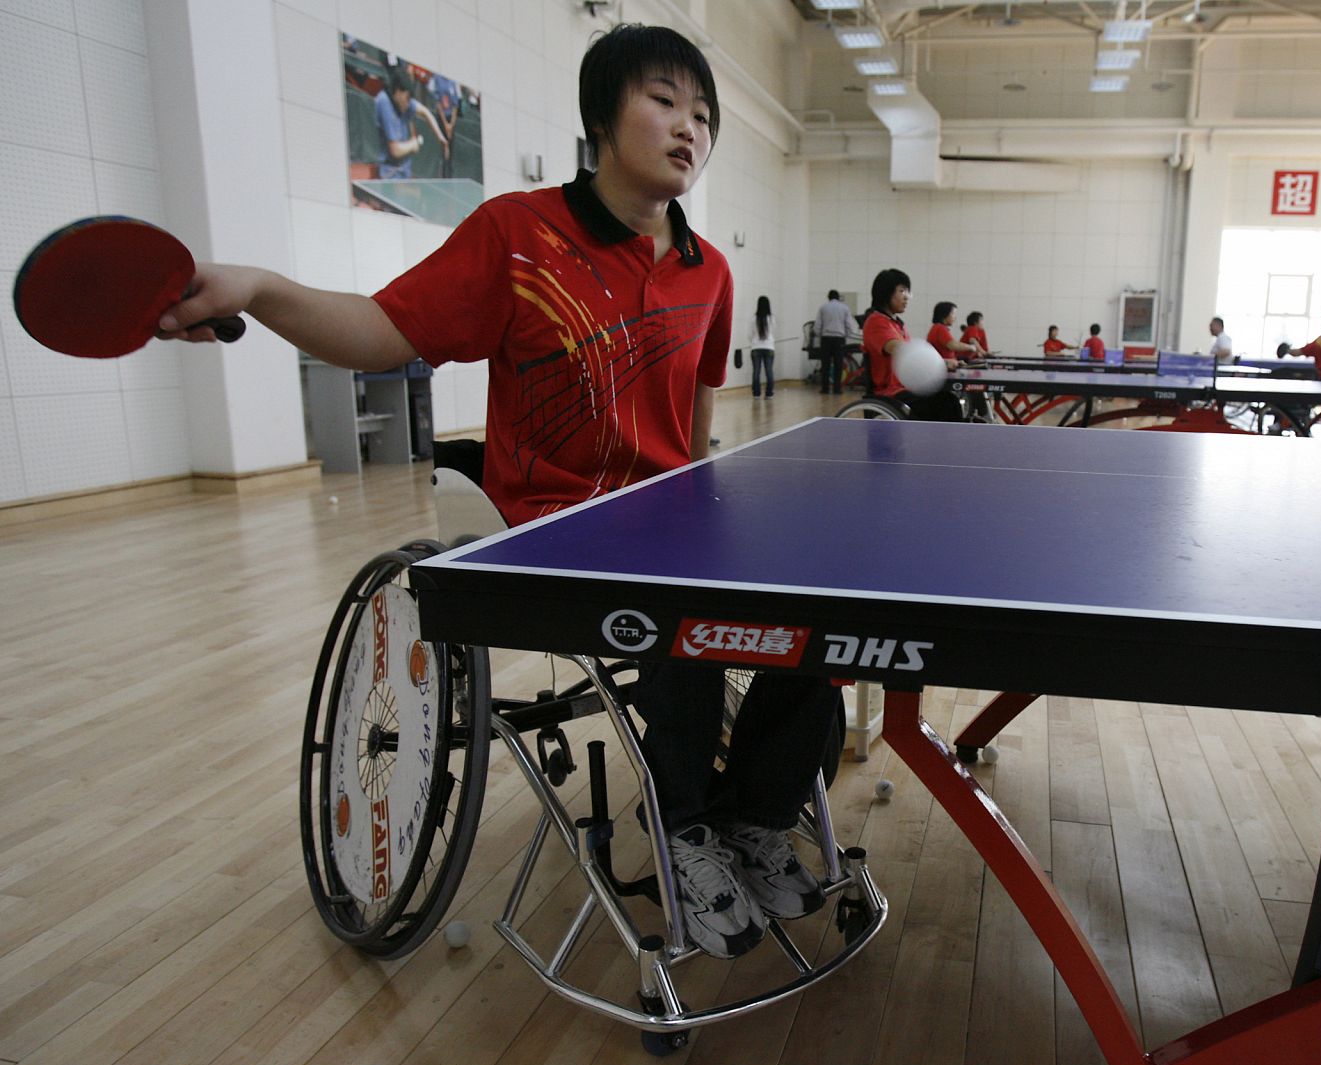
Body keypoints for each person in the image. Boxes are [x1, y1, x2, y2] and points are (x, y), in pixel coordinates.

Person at [157, 23, 836, 961]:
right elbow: (381, 329)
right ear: (602, 117)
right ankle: (682, 832)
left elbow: (694, 429)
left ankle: (754, 814)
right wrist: (264, 289)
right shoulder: (518, 237)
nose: (691, 127)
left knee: (831, 596)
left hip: (666, 521)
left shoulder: (708, 269)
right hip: (552, 530)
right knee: (680, 606)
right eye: (665, 101)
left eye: (704, 114)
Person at [861, 269, 962, 421]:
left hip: (905, 387)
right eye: (902, 291)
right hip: (890, 393)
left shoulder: (897, 324)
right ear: (885, 293)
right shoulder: (876, 322)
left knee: (950, 400)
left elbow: (912, 354)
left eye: (907, 292)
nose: (907, 297)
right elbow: (900, 349)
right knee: (945, 404)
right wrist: (941, 362)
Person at [374, 66, 448, 180]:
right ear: (398, 92)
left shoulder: (404, 101)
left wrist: (440, 137)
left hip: (404, 170)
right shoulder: (384, 102)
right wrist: (413, 144)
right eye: (407, 98)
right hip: (389, 173)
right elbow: (395, 150)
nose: (409, 104)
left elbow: (425, 113)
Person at [815, 289, 853, 395]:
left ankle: (825, 389)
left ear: (828, 297)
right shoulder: (845, 308)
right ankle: (837, 389)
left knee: (825, 364)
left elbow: (817, 325)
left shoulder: (823, 307)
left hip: (826, 338)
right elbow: (849, 325)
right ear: (838, 297)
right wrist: (846, 335)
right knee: (838, 365)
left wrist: (819, 334)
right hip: (839, 339)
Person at [428, 73, 460, 178]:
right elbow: (438, 103)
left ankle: (449, 174)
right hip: (441, 120)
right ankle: (442, 174)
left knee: (450, 149)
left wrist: (451, 125)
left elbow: (455, 105)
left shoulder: (453, 81)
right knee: (443, 147)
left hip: (451, 121)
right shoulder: (437, 78)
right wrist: (445, 124)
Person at [749, 294, 776, 397]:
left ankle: (756, 393)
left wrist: (754, 342)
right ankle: (769, 393)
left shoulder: (753, 319)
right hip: (769, 347)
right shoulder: (772, 318)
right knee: (769, 371)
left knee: (756, 372)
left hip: (756, 347)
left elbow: (750, 334)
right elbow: (773, 332)